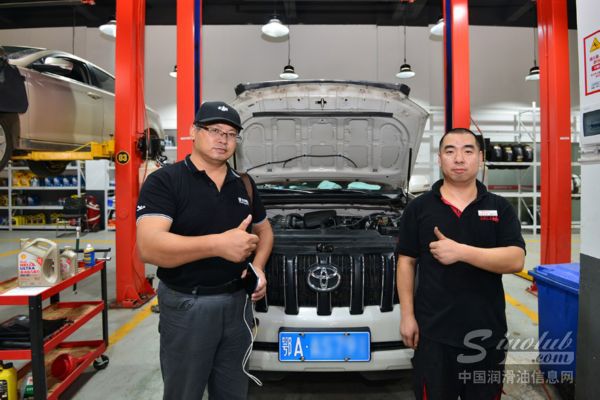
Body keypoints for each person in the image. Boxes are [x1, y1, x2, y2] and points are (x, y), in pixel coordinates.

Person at [136, 101, 274, 400]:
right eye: (214, 130)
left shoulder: (244, 184)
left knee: (233, 392)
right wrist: (217, 244)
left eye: (231, 134)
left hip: (237, 306)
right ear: (194, 131)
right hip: (188, 305)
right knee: (184, 392)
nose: (223, 139)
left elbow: (264, 231)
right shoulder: (165, 181)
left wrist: (259, 267)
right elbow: (149, 246)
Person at [396, 128, 526, 399]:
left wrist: (461, 252)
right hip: (434, 335)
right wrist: (407, 316)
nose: (459, 158)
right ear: (439, 158)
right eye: (450, 151)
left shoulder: (500, 207)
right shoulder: (419, 208)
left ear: (481, 157)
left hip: (486, 335)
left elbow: (516, 259)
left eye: (468, 151)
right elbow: (406, 261)